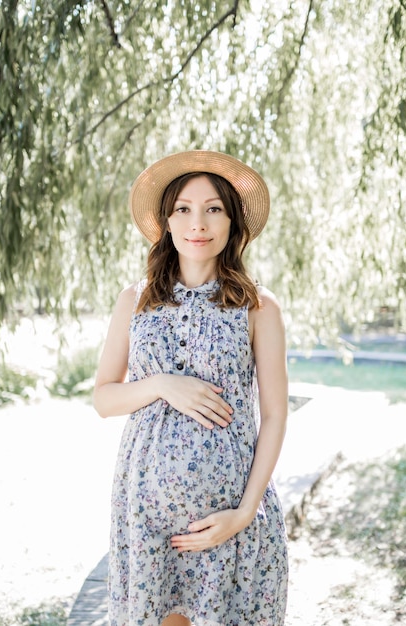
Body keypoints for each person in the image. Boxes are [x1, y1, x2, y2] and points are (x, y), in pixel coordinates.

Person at [93, 150, 289, 626]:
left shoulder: (258, 307)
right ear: (166, 220)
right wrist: (162, 385)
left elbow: (276, 416)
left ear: (232, 221)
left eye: (213, 208)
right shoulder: (135, 299)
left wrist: (244, 514)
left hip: (229, 520)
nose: (197, 222)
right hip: (147, 519)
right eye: (183, 208)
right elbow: (103, 398)